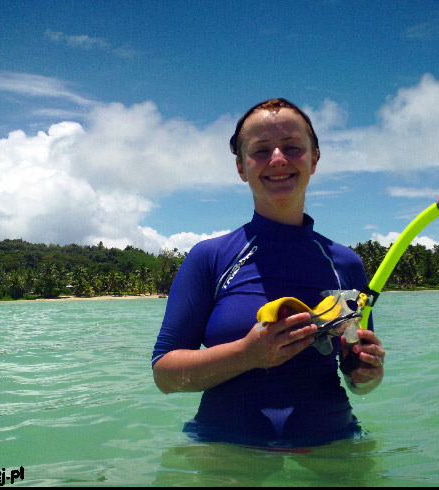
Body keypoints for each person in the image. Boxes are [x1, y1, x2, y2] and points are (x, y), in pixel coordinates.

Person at [152, 98, 385, 448]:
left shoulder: (346, 264)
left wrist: (367, 373)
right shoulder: (210, 258)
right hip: (227, 453)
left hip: (332, 447)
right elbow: (165, 375)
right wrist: (247, 355)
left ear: (314, 159)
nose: (278, 159)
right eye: (261, 151)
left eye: (292, 147)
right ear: (241, 167)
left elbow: (356, 377)